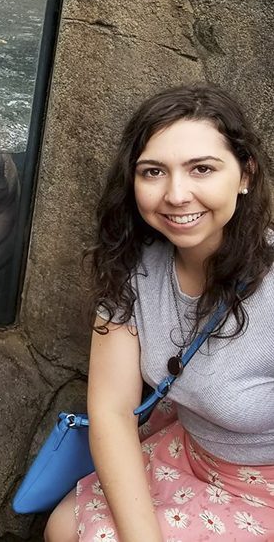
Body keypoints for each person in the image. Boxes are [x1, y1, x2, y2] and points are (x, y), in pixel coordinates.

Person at [44, 83, 274, 541]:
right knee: (63, 528)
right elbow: (111, 408)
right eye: (153, 172)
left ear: (245, 174)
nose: (176, 194)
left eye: (202, 169)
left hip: (262, 488)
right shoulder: (134, 266)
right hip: (189, 448)